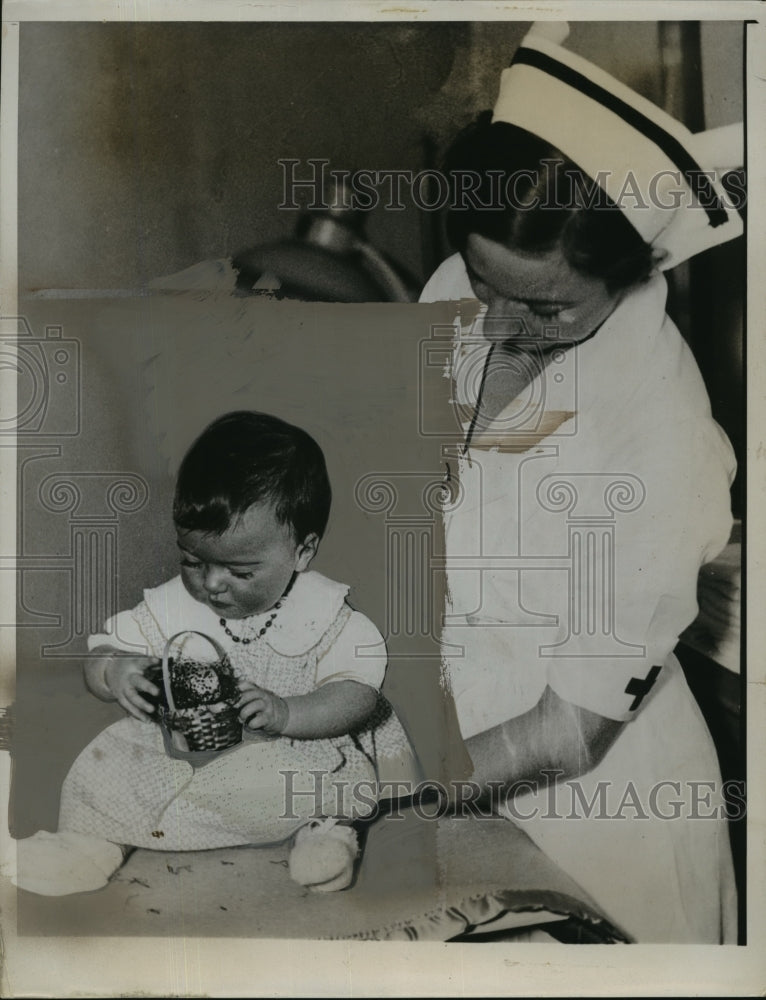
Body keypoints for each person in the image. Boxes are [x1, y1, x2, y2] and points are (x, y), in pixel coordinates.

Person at [421, 22, 743, 942]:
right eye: (488, 285)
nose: (503, 329)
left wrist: (382, 788)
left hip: (603, 814)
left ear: (634, 272)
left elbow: (570, 732)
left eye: (550, 308)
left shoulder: (663, 439)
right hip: (443, 760)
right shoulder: (463, 279)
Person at [14, 411, 416, 896]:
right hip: (185, 751)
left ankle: (324, 834)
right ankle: (91, 842)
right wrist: (114, 668)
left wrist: (290, 712)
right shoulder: (178, 605)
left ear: (302, 552)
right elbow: (102, 649)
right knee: (108, 767)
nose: (211, 583)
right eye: (192, 560)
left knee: (319, 782)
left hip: (285, 748)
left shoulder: (325, 614)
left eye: (241, 571)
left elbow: (358, 697)